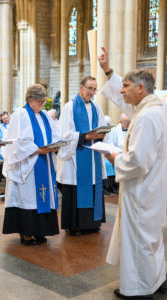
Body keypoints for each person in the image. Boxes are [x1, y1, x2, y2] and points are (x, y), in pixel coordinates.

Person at [98, 46, 167, 299]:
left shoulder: (148, 116)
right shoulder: (155, 109)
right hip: (154, 189)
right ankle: (157, 279)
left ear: (141, 88)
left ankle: (139, 288)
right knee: (152, 239)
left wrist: (115, 156)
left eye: (126, 86)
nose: (122, 90)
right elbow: (122, 103)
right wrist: (107, 71)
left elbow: (138, 161)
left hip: (142, 190)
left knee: (139, 240)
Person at [2, 84, 60, 245]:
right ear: (30, 99)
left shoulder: (45, 116)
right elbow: (16, 141)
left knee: (42, 198)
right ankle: (26, 232)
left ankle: (41, 230)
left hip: (44, 162)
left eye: (44, 101)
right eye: (39, 101)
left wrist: (56, 144)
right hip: (28, 164)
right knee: (28, 199)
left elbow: (55, 134)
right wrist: (36, 149)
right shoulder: (21, 114)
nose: (42, 104)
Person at [56, 76, 107, 236]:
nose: (92, 92)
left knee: (93, 187)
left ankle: (92, 223)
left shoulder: (97, 107)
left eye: (94, 89)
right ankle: (75, 225)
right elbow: (65, 135)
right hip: (76, 159)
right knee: (76, 189)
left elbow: (102, 127)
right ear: (81, 87)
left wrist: (102, 134)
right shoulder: (69, 107)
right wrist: (85, 137)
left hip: (93, 158)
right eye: (89, 88)